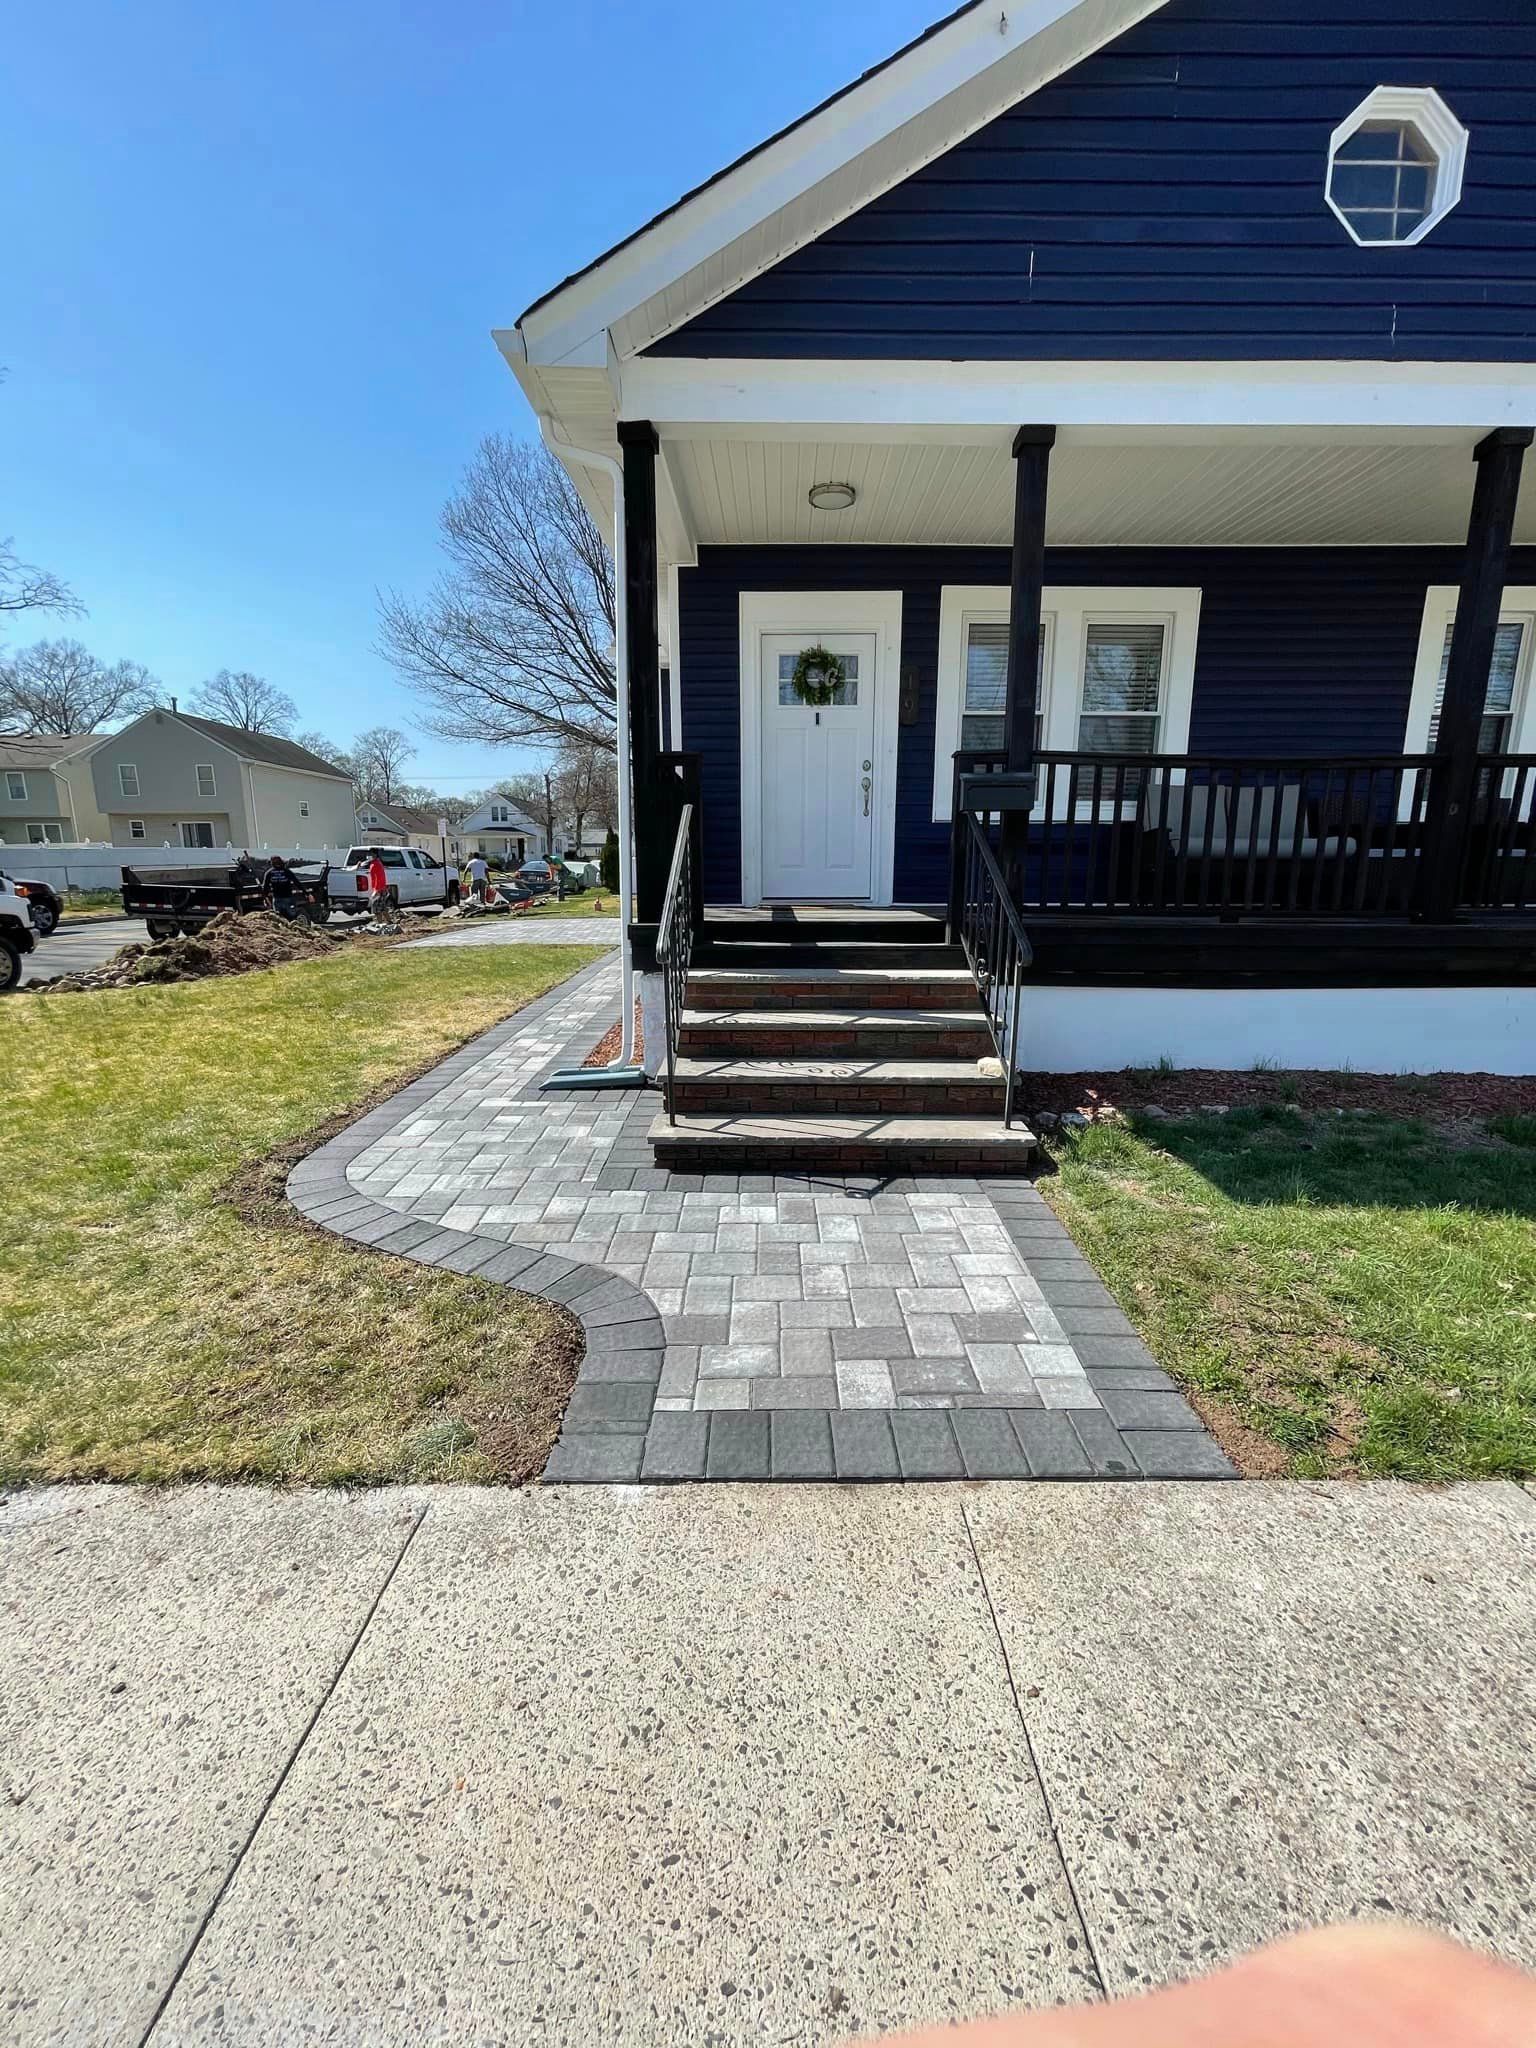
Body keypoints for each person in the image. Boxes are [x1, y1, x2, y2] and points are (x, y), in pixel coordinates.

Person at [365, 850, 391, 920]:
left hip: (379, 889)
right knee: (382, 907)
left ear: (375, 855)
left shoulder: (375, 864)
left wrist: (376, 890)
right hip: (381, 888)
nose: (368, 856)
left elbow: (378, 878)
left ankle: (380, 923)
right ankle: (389, 922)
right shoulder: (375, 863)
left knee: (377, 909)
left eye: (370, 854)